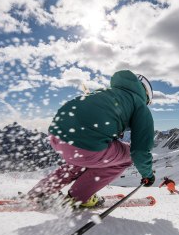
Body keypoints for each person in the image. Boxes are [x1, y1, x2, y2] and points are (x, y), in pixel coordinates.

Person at [27, 70, 155, 209]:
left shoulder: (105, 92)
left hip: (55, 136)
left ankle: (40, 192)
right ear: (146, 95)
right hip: (85, 146)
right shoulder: (140, 105)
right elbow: (140, 151)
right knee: (127, 156)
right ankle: (78, 197)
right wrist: (147, 175)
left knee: (81, 161)